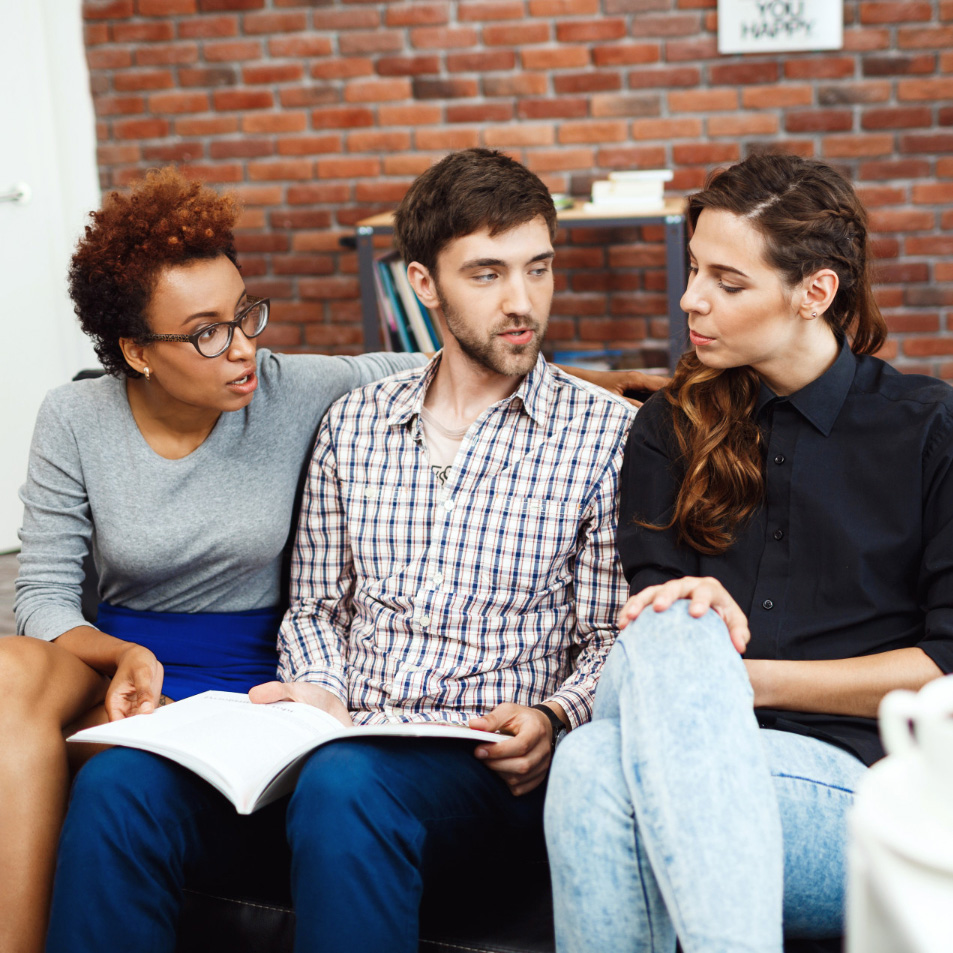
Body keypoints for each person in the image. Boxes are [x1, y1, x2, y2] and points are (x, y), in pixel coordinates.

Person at [43, 147, 634, 953]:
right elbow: (316, 604)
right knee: (118, 784)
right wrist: (316, 690)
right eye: (487, 274)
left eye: (538, 268)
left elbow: (611, 634)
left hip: (485, 767)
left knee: (344, 783)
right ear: (423, 285)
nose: (522, 301)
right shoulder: (353, 424)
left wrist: (553, 715)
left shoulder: (604, 436)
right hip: (334, 743)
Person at [544, 153, 953, 953]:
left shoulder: (927, 428)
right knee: (663, 643)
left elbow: (944, 663)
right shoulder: (666, 426)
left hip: (853, 787)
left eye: (727, 283)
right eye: (695, 268)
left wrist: (739, 680)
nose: (691, 298)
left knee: (594, 765)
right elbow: (655, 635)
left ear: (814, 292)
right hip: (673, 743)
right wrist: (695, 642)